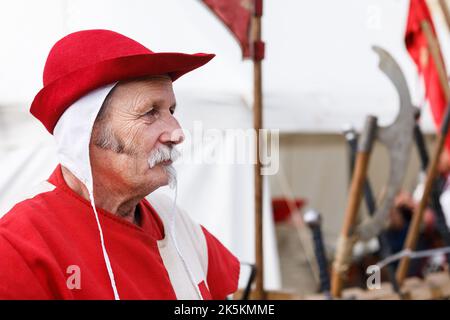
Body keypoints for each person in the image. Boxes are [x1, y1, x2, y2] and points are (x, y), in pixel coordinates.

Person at [0, 29, 240, 299]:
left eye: (171, 111)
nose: (177, 133)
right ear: (86, 131)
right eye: (150, 113)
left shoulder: (177, 224)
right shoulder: (21, 244)